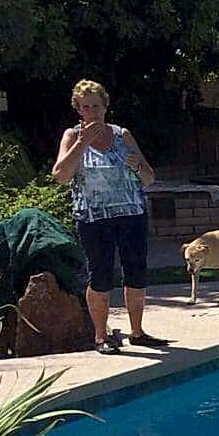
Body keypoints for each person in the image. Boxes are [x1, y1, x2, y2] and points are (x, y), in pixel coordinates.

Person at [51, 79, 168, 354]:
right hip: (94, 219)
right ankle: (100, 337)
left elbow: (149, 178)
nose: (91, 111)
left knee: (136, 274)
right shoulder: (72, 136)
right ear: (79, 110)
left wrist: (137, 165)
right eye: (85, 107)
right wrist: (82, 144)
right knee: (101, 276)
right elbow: (60, 177)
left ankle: (137, 332)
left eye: (96, 106)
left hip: (131, 215)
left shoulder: (122, 135)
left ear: (105, 106)